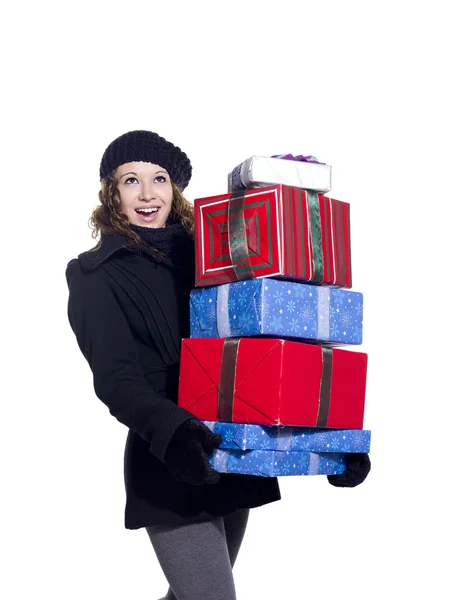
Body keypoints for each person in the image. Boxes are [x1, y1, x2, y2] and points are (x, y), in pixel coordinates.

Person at [65, 130, 371, 600]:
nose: (147, 194)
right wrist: (177, 433)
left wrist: (333, 440)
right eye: (131, 180)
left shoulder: (216, 255)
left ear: (176, 190)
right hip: (170, 455)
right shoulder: (94, 274)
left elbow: (274, 346)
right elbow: (116, 380)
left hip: (234, 449)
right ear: (112, 192)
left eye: (159, 179)